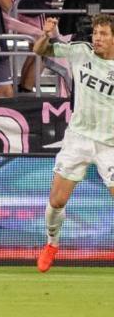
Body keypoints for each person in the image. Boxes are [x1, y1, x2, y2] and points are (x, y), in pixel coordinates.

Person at [31, 13, 114, 271]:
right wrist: (46, 34)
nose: (97, 39)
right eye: (95, 33)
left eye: (103, 34)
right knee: (56, 201)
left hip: (110, 144)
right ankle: (52, 244)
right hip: (78, 138)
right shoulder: (81, 52)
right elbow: (39, 51)